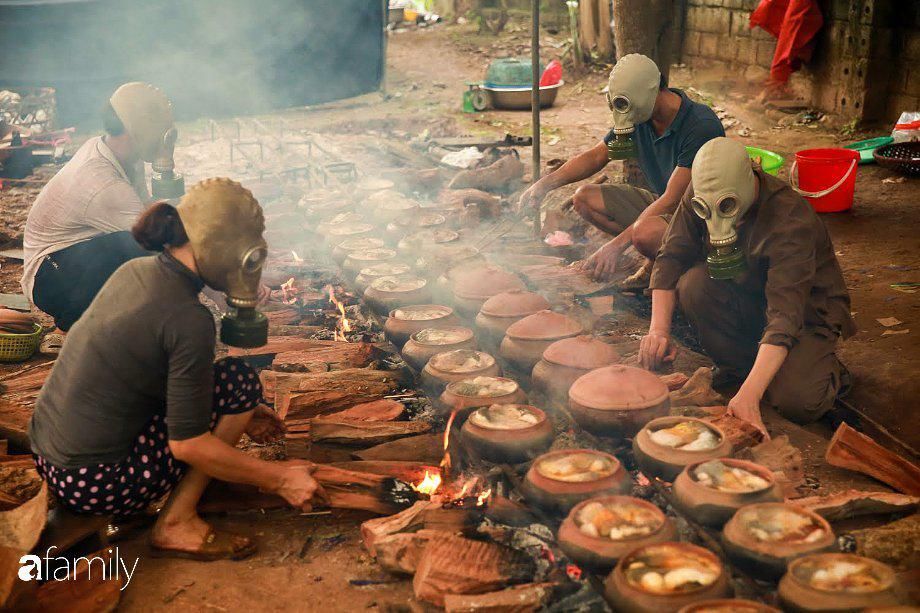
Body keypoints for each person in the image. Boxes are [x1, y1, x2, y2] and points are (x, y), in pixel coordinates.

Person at [29, 178, 323, 560]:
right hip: (96, 482)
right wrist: (280, 478)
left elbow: (150, 369)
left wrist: (236, 411)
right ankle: (176, 522)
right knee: (239, 382)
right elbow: (187, 444)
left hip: (50, 457)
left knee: (231, 386)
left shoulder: (138, 271)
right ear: (224, 249)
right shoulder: (189, 318)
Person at [639, 137, 855, 434]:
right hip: (746, 292)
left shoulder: (790, 220)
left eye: (726, 206)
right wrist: (658, 331)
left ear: (751, 178)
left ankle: (824, 369)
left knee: (799, 403)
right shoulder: (700, 191)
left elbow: (785, 315)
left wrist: (750, 397)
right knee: (693, 284)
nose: (714, 217)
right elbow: (671, 257)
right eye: (706, 208)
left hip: (805, 312)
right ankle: (746, 368)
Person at [519, 54, 724, 281]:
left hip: (701, 220)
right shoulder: (639, 115)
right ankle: (655, 252)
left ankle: (683, 267)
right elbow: (596, 156)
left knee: (644, 233)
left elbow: (673, 200)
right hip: (663, 206)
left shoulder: (701, 126)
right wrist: (545, 184)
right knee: (585, 198)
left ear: (653, 91)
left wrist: (616, 246)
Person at [21, 82, 174, 332]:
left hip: (70, 259)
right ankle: (72, 325)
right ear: (137, 127)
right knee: (136, 244)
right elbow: (164, 242)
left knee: (143, 239)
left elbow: (151, 212)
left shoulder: (119, 154)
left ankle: (112, 316)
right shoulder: (101, 181)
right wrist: (222, 288)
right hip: (50, 278)